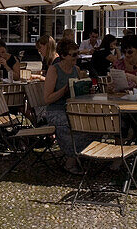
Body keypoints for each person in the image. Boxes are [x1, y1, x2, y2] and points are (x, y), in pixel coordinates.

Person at [41, 39, 86, 174]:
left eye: (77, 54)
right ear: (63, 55)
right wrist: (64, 90)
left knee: (92, 124)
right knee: (68, 125)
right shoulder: (54, 70)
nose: (76, 57)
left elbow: (77, 95)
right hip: (56, 110)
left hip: (72, 109)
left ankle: (79, 155)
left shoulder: (76, 70)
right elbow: (47, 99)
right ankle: (72, 158)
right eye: (73, 55)